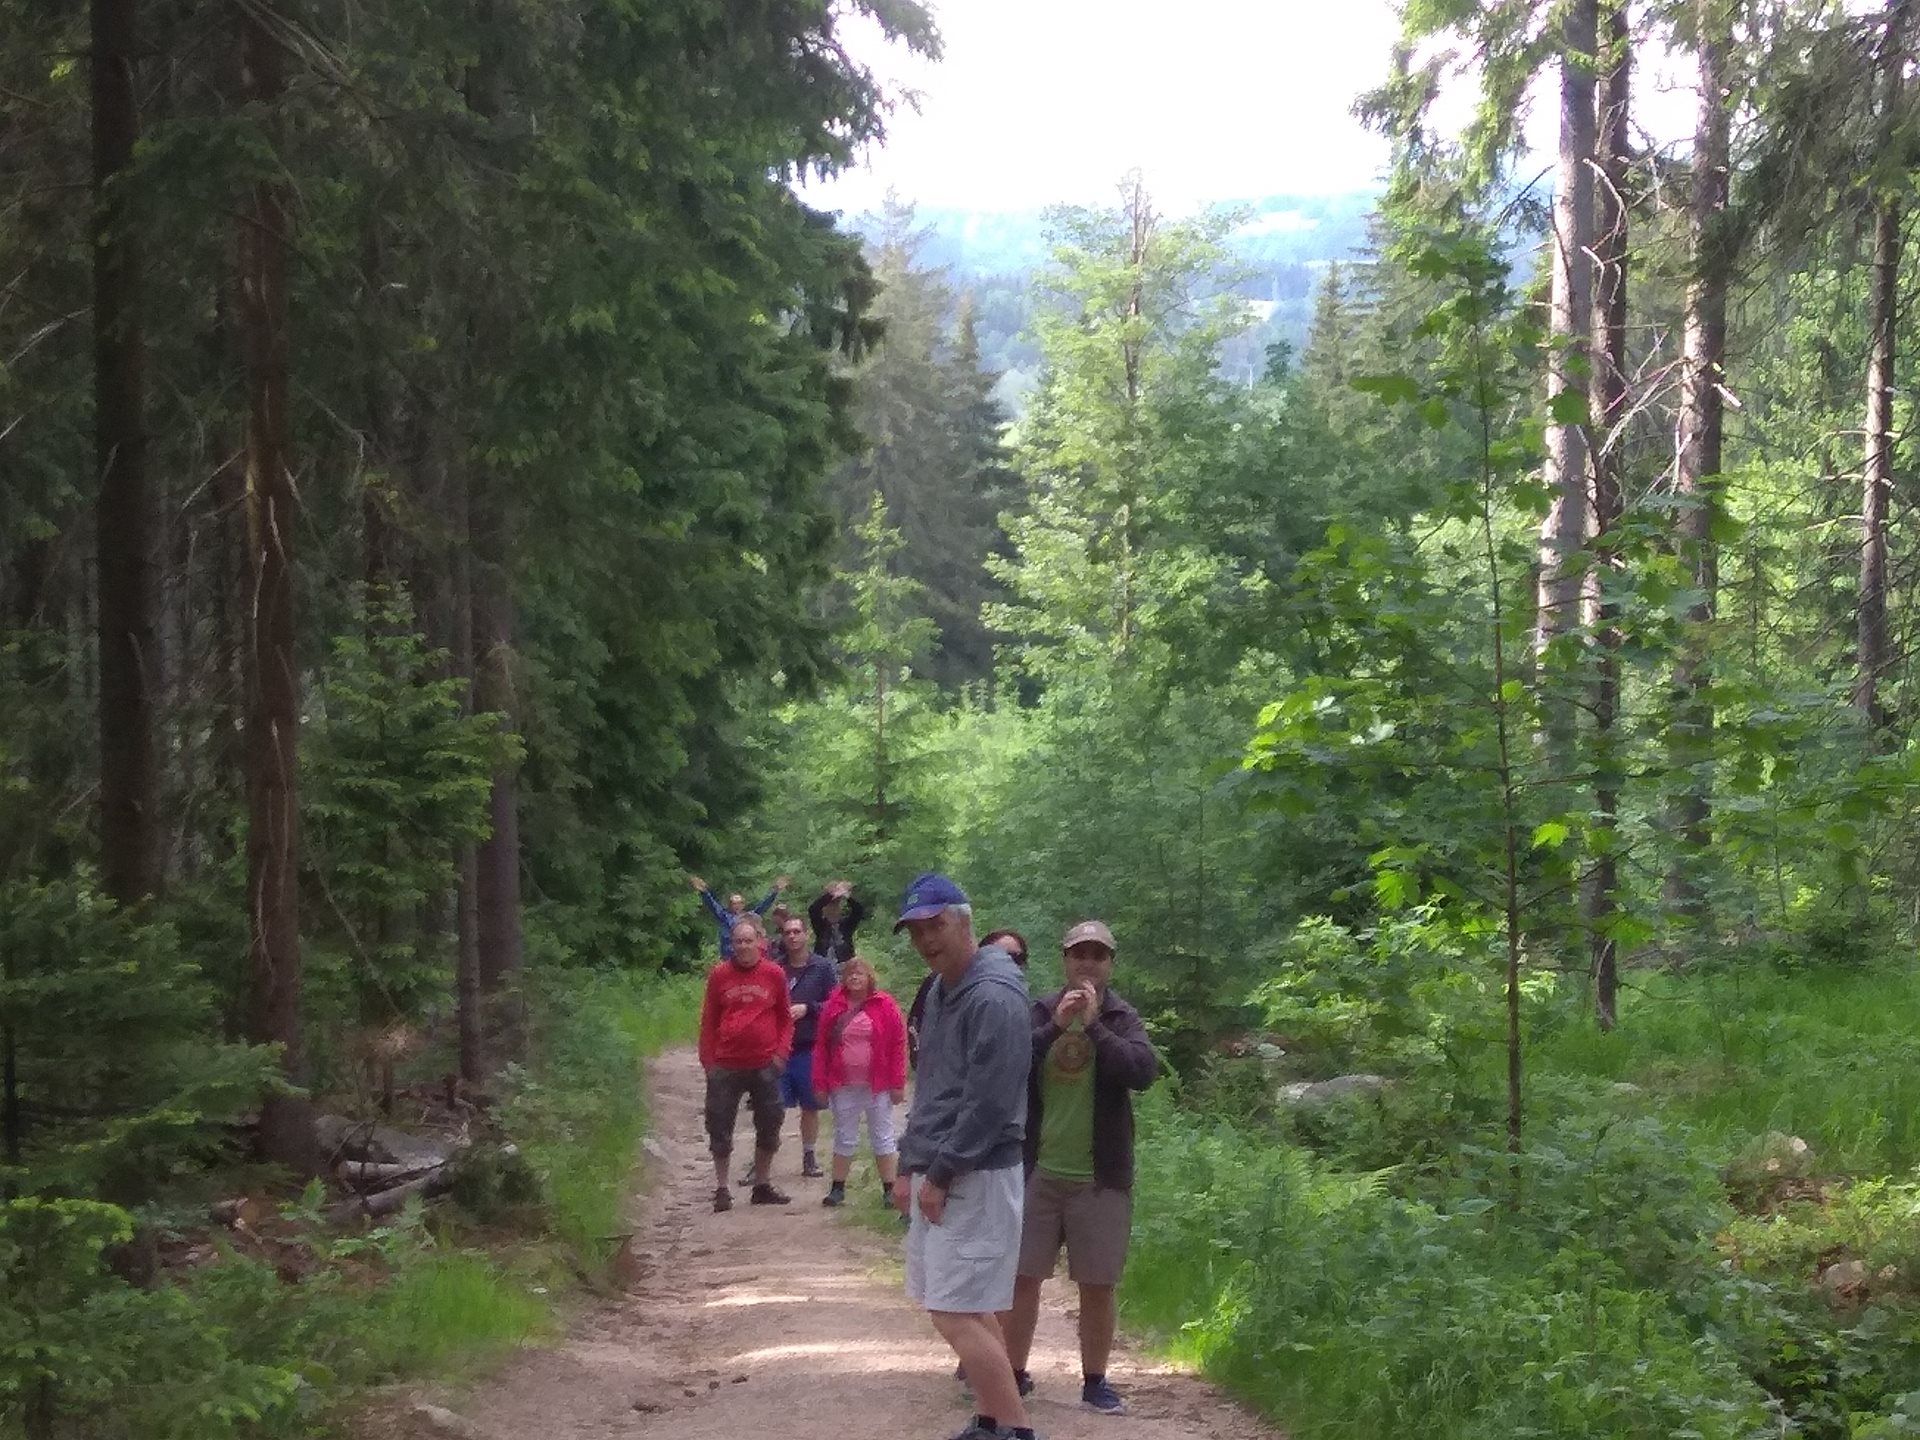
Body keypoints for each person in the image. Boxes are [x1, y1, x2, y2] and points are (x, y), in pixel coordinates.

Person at [893, 875, 1036, 1440]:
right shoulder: (940, 988)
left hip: (976, 1171)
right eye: (916, 931)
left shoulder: (994, 995)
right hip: (943, 1167)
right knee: (966, 1306)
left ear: (964, 921)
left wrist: (943, 1171)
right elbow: (933, 1086)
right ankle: (993, 1419)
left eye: (936, 925)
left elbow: (990, 1101)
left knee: (953, 1309)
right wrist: (910, 1162)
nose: (926, 939)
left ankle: (1016, 1430)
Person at [1002, 920, 1158, 1415]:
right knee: (1022, 1278)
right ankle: (1012, 1375)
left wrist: (1094, 1026)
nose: (1088, 963)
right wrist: (1056, 1026)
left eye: (1098, 955)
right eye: (1079, 954)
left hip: (1100, 1176)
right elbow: (1006, 1064)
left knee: (1097, 1283)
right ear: (1065, 960)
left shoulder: (1121, 1016)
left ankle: (1095, 1382)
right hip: (1037, 1170)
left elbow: (1142, 1072)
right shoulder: (1040, 1010)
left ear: (1110, 964)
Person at [696, 916, 795, 1213]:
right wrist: (708, 1061)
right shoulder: (719, 975)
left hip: (765, 1062)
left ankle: (762, 1185)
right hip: (725, 1064)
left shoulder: (774, 974)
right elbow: (709, 1020)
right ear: (732, 944)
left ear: (759, 942)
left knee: (770, 1123)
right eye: (738, 941)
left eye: (748, 940)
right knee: (719, 1124)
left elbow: (785, 1018)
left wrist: (780, 1054)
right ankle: (722, 1188)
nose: (743, 946)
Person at [812, 955, 907, 1208]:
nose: (854, 978)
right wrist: (820, 1083)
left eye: (860, 973)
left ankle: (889, 1189)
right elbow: (821, 1047)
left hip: (878, 1084)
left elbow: (898, 1044)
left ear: (869, 978)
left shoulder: (885, 1005)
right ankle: (837, 1188)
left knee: (883, 1135)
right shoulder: (834, 1006)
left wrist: (898, 1083)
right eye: (850, 974)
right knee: (845, 1135)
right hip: (842, 1083)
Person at [772, 913, 837, 1179]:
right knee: (771, 1106)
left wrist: (808, 1009)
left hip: (809, 1045)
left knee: (810, 1106)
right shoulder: (775, 968)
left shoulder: (822, 968)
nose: (792, 937)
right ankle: (762, 1159)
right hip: (777, 1048)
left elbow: (836, 1003)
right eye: (787, 932)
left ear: (806, 934)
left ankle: (809, 1156)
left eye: (797, 931)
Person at [909, 927, 1027, 1070]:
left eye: (1016, 958)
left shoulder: (1023, 1008)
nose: (1006, 961)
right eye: (997, 954)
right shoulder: (942, 983)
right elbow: (915, 1025)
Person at [690, 873, 789, 959]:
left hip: (747, 956)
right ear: (730, 904)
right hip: (729, 957)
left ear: (743, 904)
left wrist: (775, 892)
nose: (737, 905)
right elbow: (713, 905)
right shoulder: (724, 917)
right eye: (734, 903)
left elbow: (763, 906)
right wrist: (704, 892)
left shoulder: (750, 917)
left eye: (739, 903)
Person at [808, 879, 868, 967]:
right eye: (831, 904)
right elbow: (813, 909)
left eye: (837, 903)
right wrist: (830, 895)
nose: (833, 907)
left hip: (845, 967)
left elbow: (858, 910)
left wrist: (846, 895)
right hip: (822, 967)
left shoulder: (847, 925)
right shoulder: (820, 925)